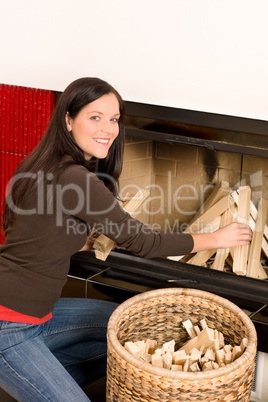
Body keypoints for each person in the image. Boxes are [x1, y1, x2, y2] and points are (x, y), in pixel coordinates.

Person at [0, 77, 252, 401]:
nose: (108, 128)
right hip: (9, 328)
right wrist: (216, 238)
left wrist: (82, 242)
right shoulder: (78, 179)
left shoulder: (44, 165)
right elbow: (144, 243)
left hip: (34, 316)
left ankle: (39, 383)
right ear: (68, 119)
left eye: (114, 119)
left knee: (123, 329)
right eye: (95, 117)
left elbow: (31, 232)